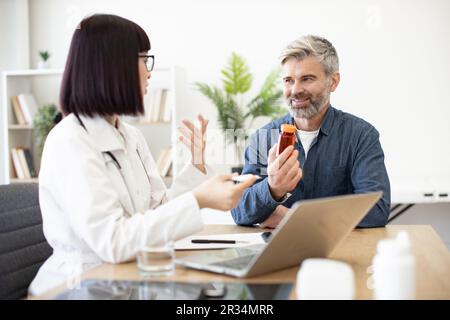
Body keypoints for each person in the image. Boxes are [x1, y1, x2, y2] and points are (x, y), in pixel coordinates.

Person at [29, 14, 257, 296]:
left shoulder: (130, 135)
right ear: (114, 65)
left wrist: (197, 165)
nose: (149, 71)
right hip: (80, 285)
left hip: (126, 277)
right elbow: (112, 242)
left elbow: (157, 211)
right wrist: (198, 200)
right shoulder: (69, 141)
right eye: (144, 59)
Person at [231, 35, 390, 228]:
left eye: (307, 79)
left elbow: (376, 210)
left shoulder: (361, 136)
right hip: (279, 252)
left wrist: (289, 217)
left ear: (333, 81)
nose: (295, 90)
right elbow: (239, 210)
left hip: (339, 252)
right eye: (288, 80)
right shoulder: (264, 138)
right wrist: (273, 189)